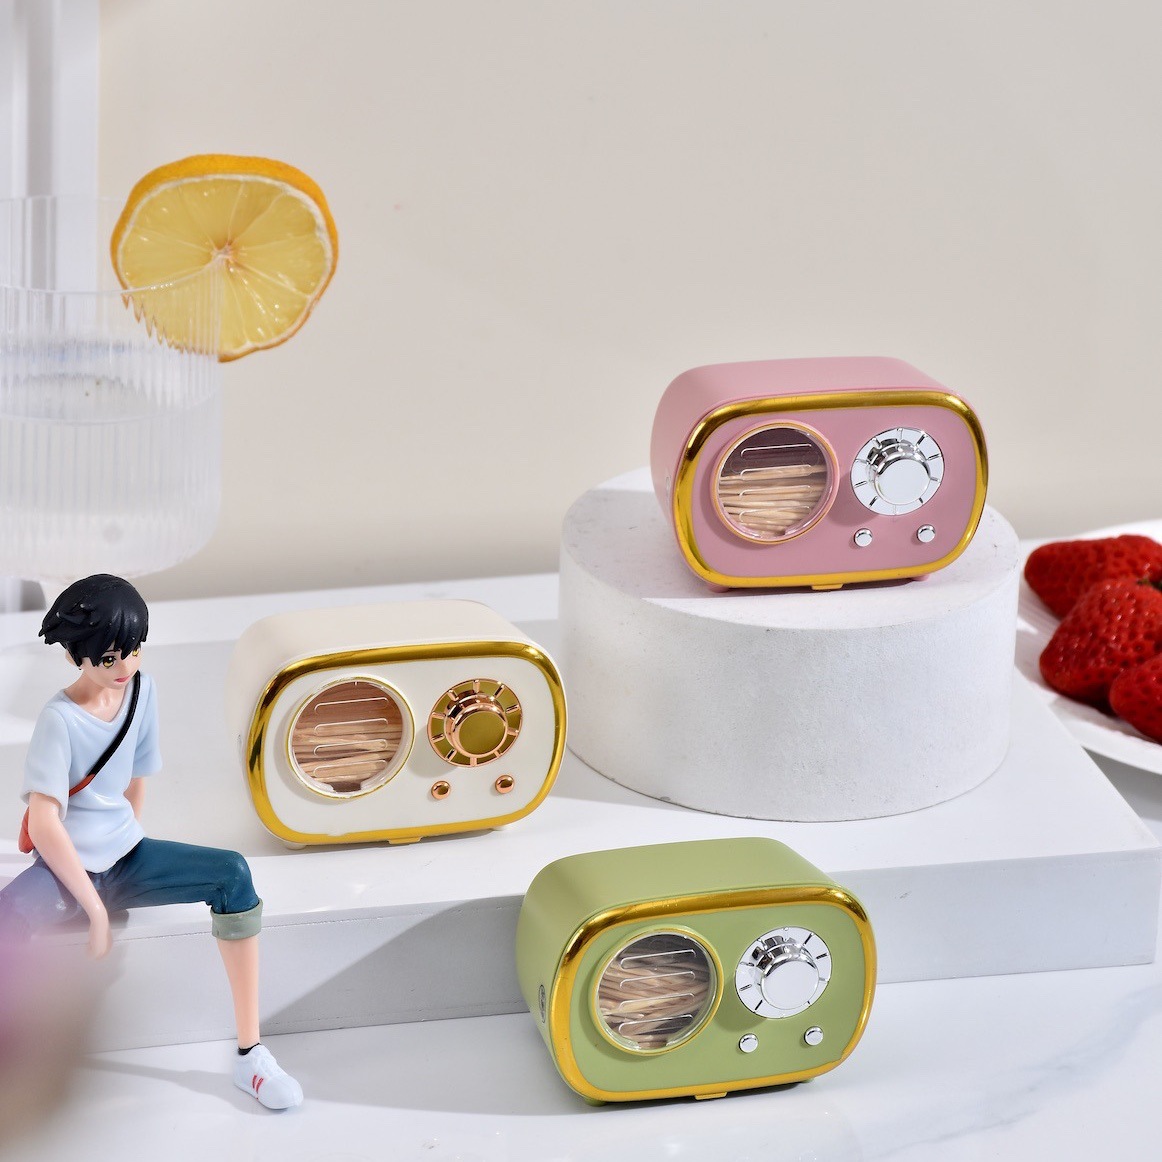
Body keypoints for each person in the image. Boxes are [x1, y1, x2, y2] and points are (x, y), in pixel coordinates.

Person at [0, 575, 302, 1111]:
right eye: (109, 657)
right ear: (74, 657)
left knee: (232, 873)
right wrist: (94, 907)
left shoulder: (142, 690)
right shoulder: (58, 720)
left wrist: (128, 851)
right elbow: (45, 824)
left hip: (127, 857)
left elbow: (137, 778)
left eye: (134, 649)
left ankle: (251, 1053)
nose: (125, 666)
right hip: (68, 871)